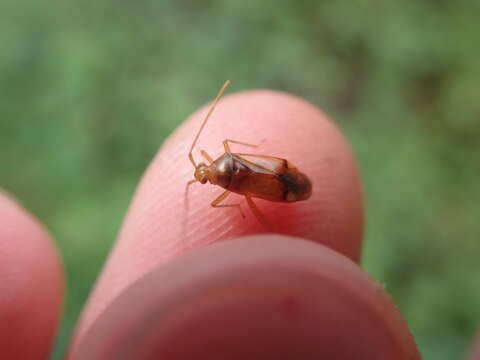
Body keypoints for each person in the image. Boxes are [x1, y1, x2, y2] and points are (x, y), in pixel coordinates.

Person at [1, 89, 477, 359]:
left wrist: (234, 186)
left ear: (211, 170)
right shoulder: (227, 168)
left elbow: (227, 177)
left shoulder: (226, 178)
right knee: (265, 188)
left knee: (257, 194)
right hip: (269, 176)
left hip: (267, 179)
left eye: (203, 171)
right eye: (204, 174)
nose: (202, 173)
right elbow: (232, 158)